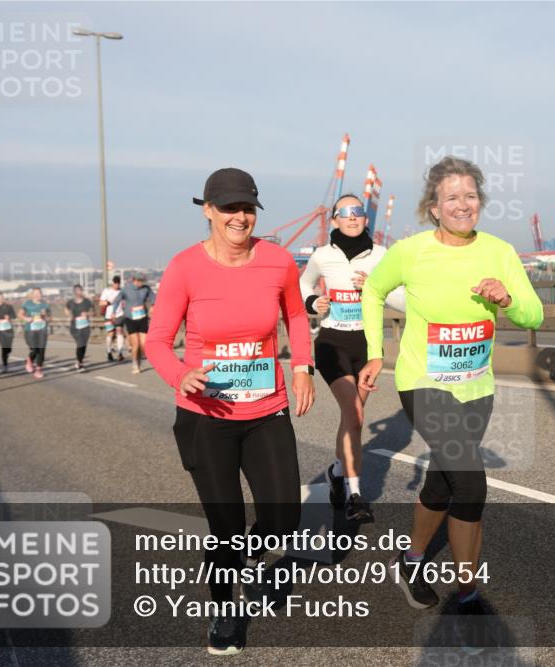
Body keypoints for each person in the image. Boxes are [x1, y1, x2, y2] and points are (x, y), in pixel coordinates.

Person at [358, 156, 543, 616]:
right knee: (471, 481)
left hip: (476, 386)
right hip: (423, 382)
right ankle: (468, 591)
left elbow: (534, 314)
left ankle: (411, 559)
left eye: (471, 196)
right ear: (434, 208)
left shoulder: (499, 252)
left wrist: (508, 298)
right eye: (452, 197)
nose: (463, 205)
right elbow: (373, 291)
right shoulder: (411, 251)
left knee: (442, 483)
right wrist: (375, 351)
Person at [145, 167, 315, 656]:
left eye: (247, 208)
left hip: (266, 408)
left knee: (283, 517)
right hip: (205, 417)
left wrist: (302, 367)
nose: (239, 217)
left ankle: (245, 557)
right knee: (226, 528)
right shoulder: (184, 268)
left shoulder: (278, 260)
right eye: (228, 208)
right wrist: (181, 375)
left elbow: (296, 315)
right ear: (208, 211)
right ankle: (225, 610)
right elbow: (157, 341)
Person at [299, 193, 405, 523]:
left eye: (358, 211)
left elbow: (404, 300)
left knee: (352, 419)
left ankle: (335, 471)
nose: (353, 217)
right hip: (333, 343)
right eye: (345, 212)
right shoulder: (322, 255)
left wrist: (376, 287)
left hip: (369, 345)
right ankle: (354, 494)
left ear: (365, 218)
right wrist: (313, 301)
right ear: (334, 220)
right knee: (355, 412)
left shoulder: (382, 255)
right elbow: (301, 284)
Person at [113, 273, 155, 374]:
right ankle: (135, 363)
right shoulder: (126, 289)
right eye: (139, 281)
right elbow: (117, 300)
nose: (141, 283)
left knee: (143, 344)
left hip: (142, 318)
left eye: (142, 281)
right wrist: (114, 312)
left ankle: (139, 361)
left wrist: (152, 307)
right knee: (136, 344)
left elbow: (154, 298)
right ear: (134, 280)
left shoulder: (146, 289)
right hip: (130, 318)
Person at [19, 287, 51, 379]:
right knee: (34, 349)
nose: (38, 295)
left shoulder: (45, 305)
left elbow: (50, 318)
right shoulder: (27, 304)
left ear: (41, 294)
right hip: (30, 330)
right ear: (32, 295)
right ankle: (29, 360)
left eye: (39, 293)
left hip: (42, 330)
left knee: (41, 350)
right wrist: (26, 318)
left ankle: (38, 370)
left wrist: (45, 316)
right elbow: (20, 314)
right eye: (36, 293)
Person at [65, 284, 94, 372]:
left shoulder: (87, 301)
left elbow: (93, 311)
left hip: (85, 326)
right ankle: (79, 363)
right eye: (77, 291)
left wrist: (87, 314)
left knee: (84, 344)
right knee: (80, 343)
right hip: (74, 326)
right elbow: (66, 309)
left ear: (82, 291)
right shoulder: (71, 302)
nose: (79, 292)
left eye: (80, 291)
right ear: (74, 292)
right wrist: (69, 315)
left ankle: (79, 361)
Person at [99, 275, 126, 362]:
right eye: (116, 283)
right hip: (108, 316)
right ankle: (109, 352)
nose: (117, 285)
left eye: (118, 283)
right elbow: (101, 303)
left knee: (119, 331)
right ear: (113, 283)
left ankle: (120, 353)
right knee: (110, 334)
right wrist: (108, 302)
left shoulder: (122, 292)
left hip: (119, 315)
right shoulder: (106, 291)